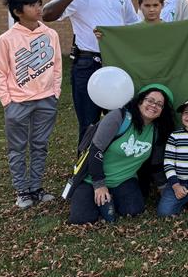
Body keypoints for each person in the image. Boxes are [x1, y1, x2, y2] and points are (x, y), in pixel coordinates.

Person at [43, 0, 139, 143]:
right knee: (88, 122)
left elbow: (132, 26)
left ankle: (113, 160)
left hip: (116, 63)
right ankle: (85, 161)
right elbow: (47, 15)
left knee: (119, 119)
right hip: (87, 64)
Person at [0, 0, 62, 208]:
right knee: (17, 148)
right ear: (17, 12)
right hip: (17, 102)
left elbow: (57, 65)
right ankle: (22, 191)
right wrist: (7, 101)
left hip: (46, 100)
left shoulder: (51, 34)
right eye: (32, 5)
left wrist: (55, 92)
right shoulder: (6, 39)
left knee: (40, 146)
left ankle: (36, 188)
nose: (38, 8)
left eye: (39, 4)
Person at [68, 84, 175, 224]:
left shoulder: (157, 130)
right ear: (140, 101)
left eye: (159, 104)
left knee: (134, 210)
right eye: (150, 100)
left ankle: (109, 199)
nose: (154, 105)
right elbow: (95, 150)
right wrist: (99, 185)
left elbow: (155, 164)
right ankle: (95, 197)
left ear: (162, 111)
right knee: (81, 218)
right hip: (92, 179)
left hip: (124, 179)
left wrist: (162, 187)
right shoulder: (119, 117)